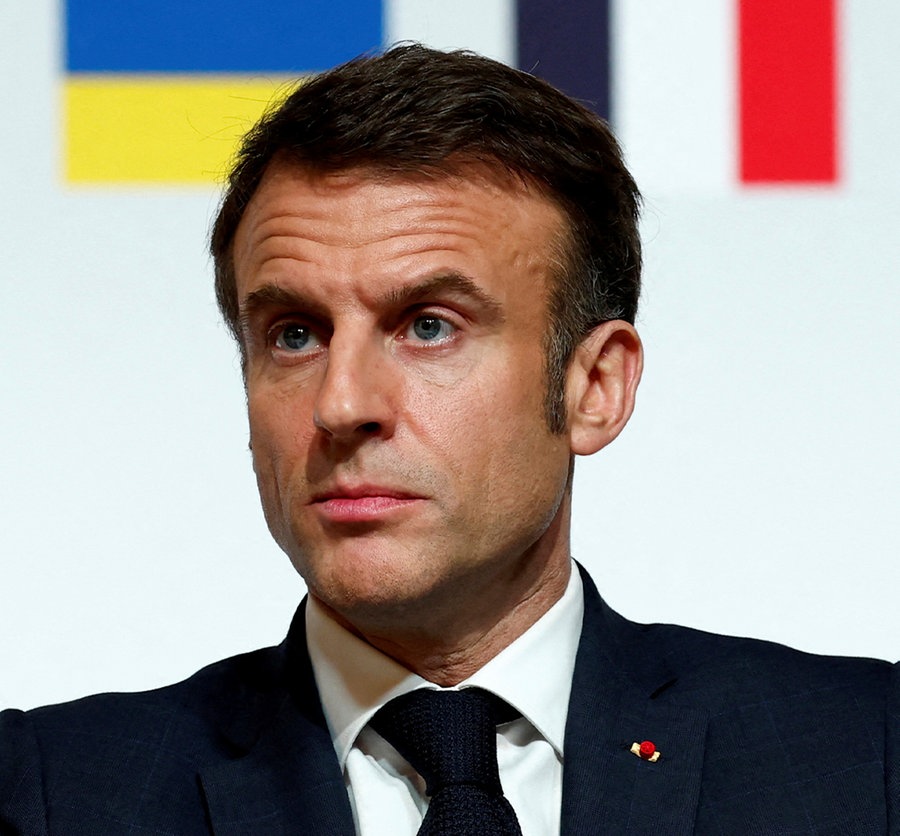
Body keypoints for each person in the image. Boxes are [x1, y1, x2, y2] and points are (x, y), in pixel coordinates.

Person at [1, 44, 896, 835]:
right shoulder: (52, 792)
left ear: (595, 387)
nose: (341, 404)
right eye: (295, 334)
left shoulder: (866, 758)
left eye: (428, 326)